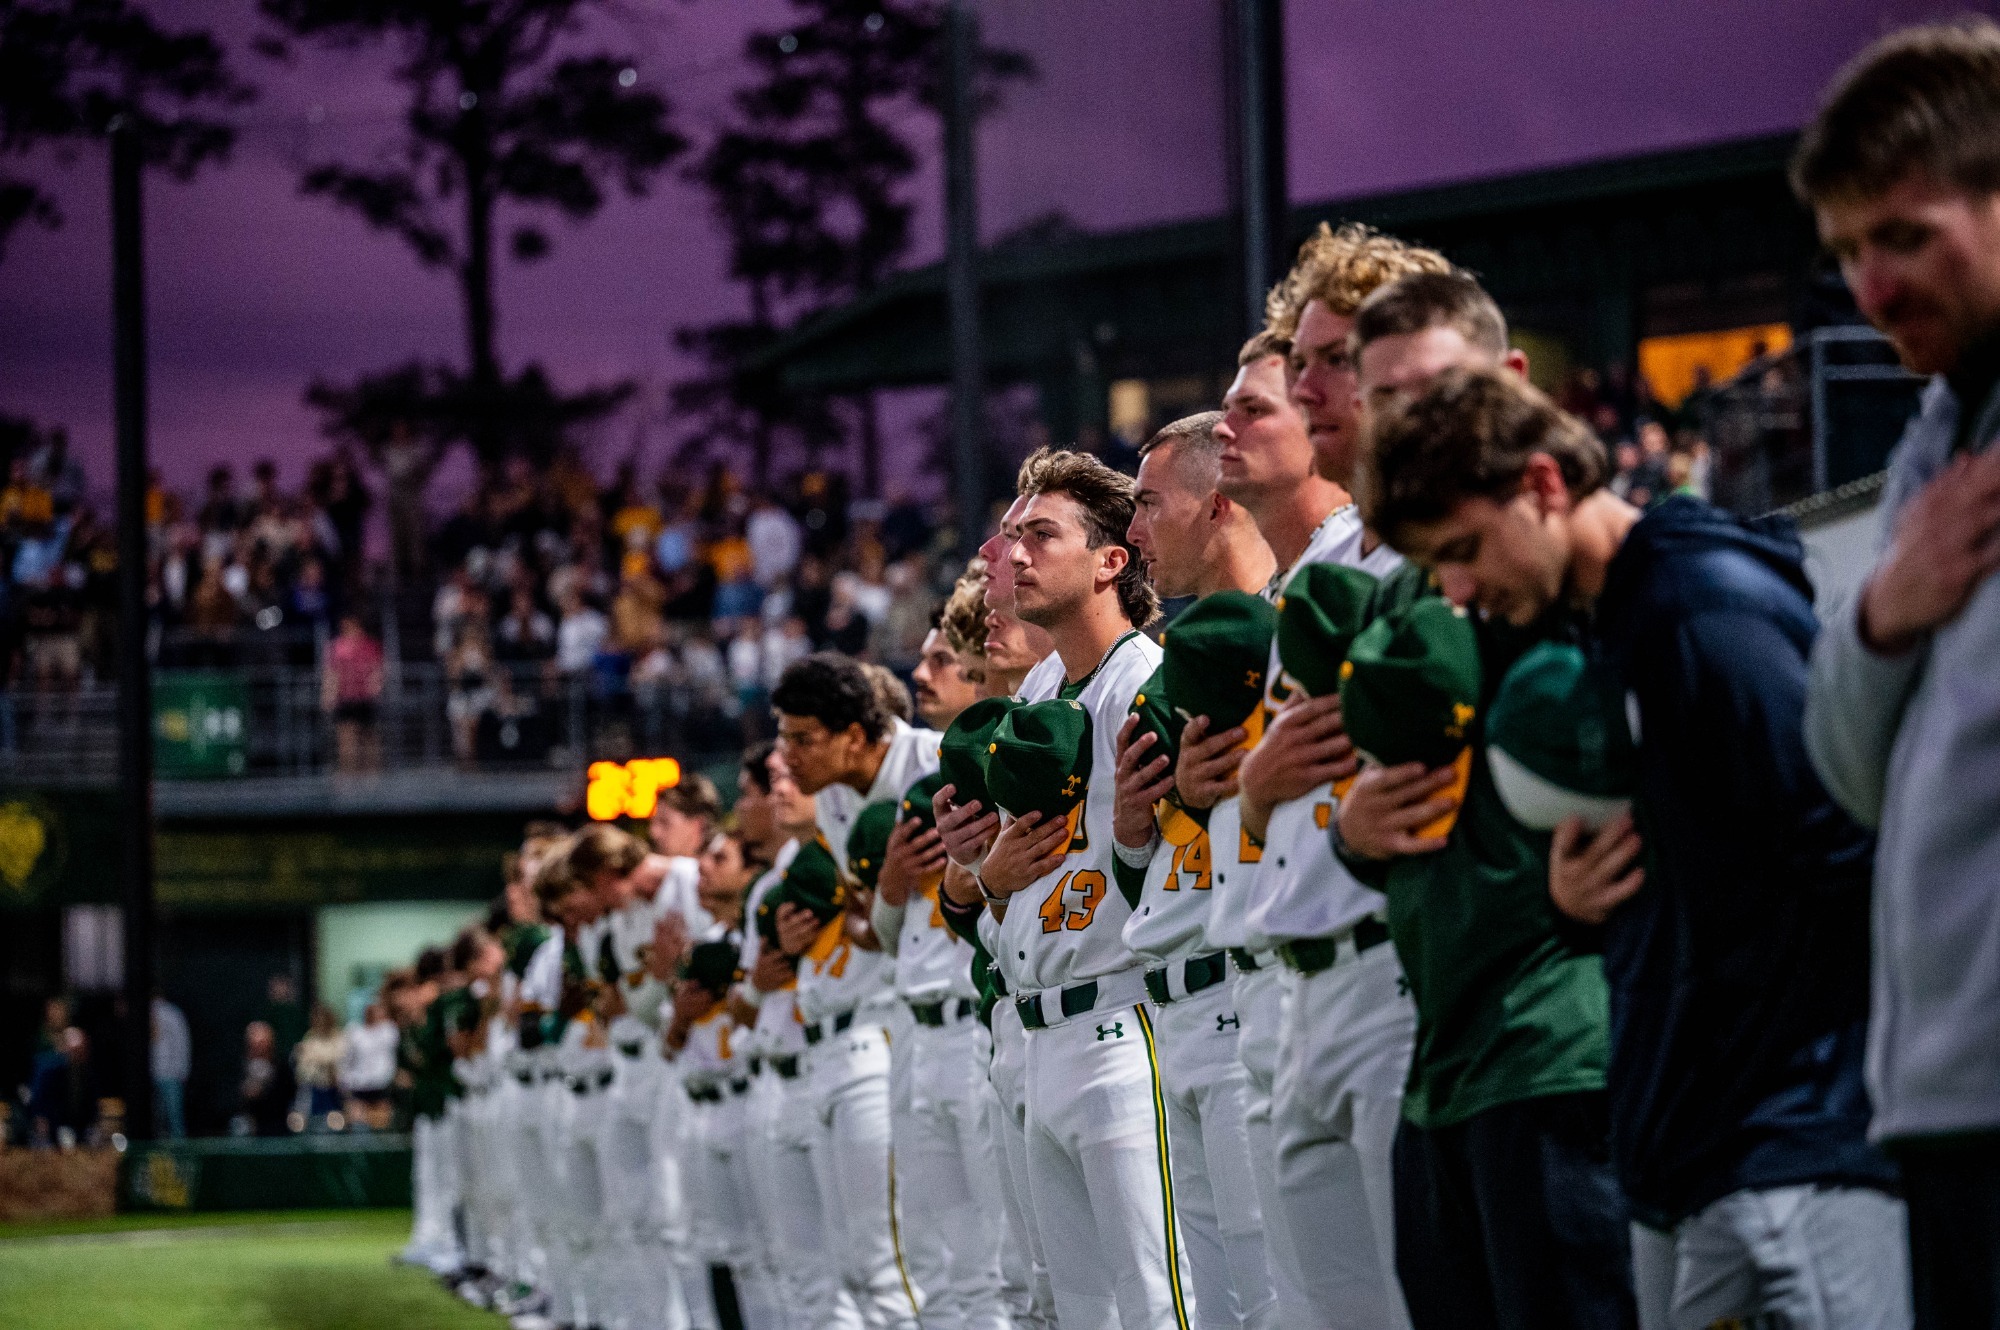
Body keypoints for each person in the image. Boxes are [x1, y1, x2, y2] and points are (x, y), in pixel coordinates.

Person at [1364, 365, 1906, 1329]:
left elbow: (1846, 852)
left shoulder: (1703, 610)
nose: (1457, 589)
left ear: (1540, 485)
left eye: (1463, 549)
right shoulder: (1610, 621)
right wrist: (1576, 905)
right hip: (1695, 1153)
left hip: (1789, 1148)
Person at [1334, 270, 1635, 1327]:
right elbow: (1388, 800)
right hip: (1443, 1054)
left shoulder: (1567, 561)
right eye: (1379, 399)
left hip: (1558, 1043)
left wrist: (1634, 854)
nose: (1403, 419)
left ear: (1509, 384)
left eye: (1425, 388)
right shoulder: (1420, 577)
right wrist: (1349, 832)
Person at [1791, 21, 2000, 1326]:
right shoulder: (1936, 439)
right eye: (1848, 252)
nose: (1870, 289)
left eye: (1905, 236)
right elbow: (1846, 768)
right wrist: (1881, 612)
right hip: (1943, 1094)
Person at [933, 447, 1186, 1330]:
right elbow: (1008, 882)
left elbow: (1173, 872)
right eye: (1011, 535)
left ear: (1112, 560)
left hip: (1123, 1017)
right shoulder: (1043, 683)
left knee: (1157, 1303)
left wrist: (1124, 847)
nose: (1016, 554)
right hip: (1034, 1024)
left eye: (1042, 534)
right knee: (1077, 1312)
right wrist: (977, 871)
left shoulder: (1143, 682)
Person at [1114, 410, 1283, 1329]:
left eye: (1147, 505)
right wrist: (1138, 833)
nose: (1134, 532)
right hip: (1181, 1008)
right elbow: (1169, 876)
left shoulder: (1286, 627)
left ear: (1216, 505)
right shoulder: (1173, 666)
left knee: (1281, 1302)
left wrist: (1232, 792)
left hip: (1259, 993)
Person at [769, 651, 938, 1329]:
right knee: (870, 1259)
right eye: (783, 737)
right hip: (903, 1018)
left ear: (858, 735)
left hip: (943, 1016)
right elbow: (874, 924)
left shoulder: (932, 761)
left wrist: (890, 900)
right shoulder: (838, 799)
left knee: (908, 1258)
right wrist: (889, 893)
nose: (789, 758)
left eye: (803, 739)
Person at [323, 614, 385, 773]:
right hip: (345, 697)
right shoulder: (336, 646)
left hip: (364, 697)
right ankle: (348, 773)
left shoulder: (370, 645)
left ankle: (371, 774)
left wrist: (376, 687)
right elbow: (332, 672)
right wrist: (328, 694)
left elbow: (377, 669)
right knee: (346, 739)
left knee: (369, 737)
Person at [341, 1000, 400, 1131]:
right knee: (359, 1127)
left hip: (381, 1086)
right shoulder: (355, 1033)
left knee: (381, 1127)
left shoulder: (388, 1031)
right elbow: (347, 1060)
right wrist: (345, 1081)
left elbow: (391, 1055)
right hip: (359, 1086)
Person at [239, 1020, 297, 1137]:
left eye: (263, 1042)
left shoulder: (282, 1069)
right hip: (244, 1132)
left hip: (277, 1131)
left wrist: (264, 1089)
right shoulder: (238, 1069)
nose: (259, 1046)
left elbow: (289, 1095)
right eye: (255, 1042)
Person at [294, 1002, 347, 1127]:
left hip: (333, 1090)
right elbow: (303, 1064)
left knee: (335, 1123)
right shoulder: (310, 1036)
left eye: (321, 1018)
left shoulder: (338, 1037)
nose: (318, 1021)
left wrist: (317, 1058)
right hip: (313, 1089)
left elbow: (336, 1058)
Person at [152, 992, 191, 1140]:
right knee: (156, 1118)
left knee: (174, 1116)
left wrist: (182, 1070)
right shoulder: (142, 1015)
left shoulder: (171, 1014)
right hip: (153, 1073)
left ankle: (179, 1154)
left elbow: (182, 1043)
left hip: (171, 1074)